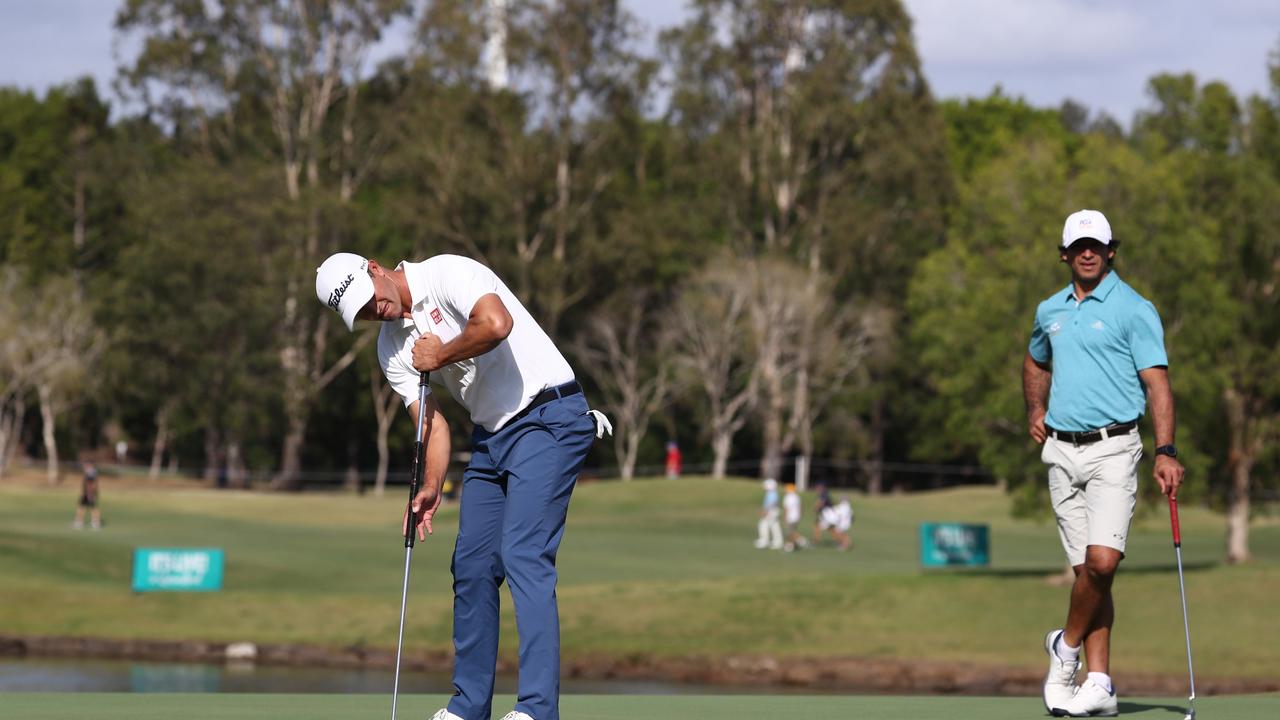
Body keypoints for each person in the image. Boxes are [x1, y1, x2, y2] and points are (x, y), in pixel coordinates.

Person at [316, 251, 609, 720]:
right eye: (361, 314)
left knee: (523, 553)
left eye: (368, 300)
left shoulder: (445, 272)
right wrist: (432, 483)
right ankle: (469, 707)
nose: (374, 313)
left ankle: (537, 710)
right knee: (471, 565)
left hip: (550, 415)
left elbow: (495, 323)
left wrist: (440, 353)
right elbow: (430, 423)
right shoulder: (390, 347)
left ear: (374, 268)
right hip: (492, 437)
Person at [1023, 210, 1185, 717]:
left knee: (1103, 563)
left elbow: (1156, 381)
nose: (1087, 253)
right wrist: (1035, 407)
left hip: (1114, 448)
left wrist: (1165, 450)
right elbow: (1034, 359)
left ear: (1111, 250)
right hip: (1061, 452)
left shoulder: (1134, 308)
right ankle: (1100, 684)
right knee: (1088, 578)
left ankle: (1063, 648)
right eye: (1078, 246)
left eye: (1097, 245)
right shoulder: (1050, 309)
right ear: (1065, 253)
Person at [754, 478, 783, 550]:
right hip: (773, 511)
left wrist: (765, 512)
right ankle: (778, 542)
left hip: (771, 511)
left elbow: (771, 504)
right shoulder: (772, 493)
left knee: (763, 524)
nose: (764, 487)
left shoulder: (772, 494)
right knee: (774, 526)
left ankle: (764, 541)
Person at [72, 461, 102, 530]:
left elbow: (90, 483)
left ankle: (82, 522)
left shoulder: (90, 472)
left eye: (85, 466)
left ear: (89, 465)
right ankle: (94, 522)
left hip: (89, 493)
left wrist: (89, 493)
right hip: (89, 493)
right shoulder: (92, 472)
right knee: (85, 506)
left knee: (89, 507)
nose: (84, 467)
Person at [782, 483, 807, 552]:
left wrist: (785, 518)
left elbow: (786, 508)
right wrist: (800, 515)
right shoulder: (797, 497)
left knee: (790, 532)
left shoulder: (787, 497)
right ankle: (791, 545)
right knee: (792, 532)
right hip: (796, 517)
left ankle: (801, 541)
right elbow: (801, 507)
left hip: (790, 517)